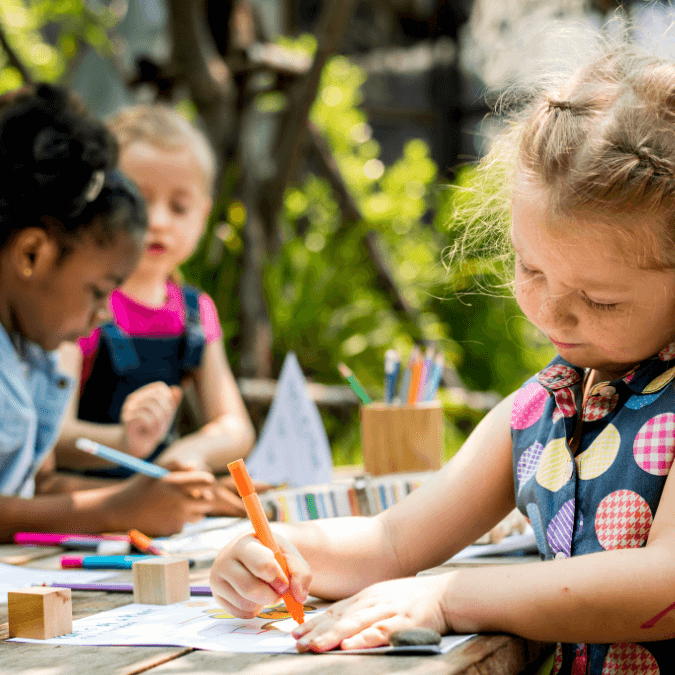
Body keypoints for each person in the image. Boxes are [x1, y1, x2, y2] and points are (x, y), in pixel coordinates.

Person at [209, 42, 675, 673]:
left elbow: (663, 586)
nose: (551, 312)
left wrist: (448, 595)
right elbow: (395, 539)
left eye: (599, 300)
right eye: (530, 269)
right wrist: (283, 550)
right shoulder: (543, 408)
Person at [0, 84, 221, 539]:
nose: (104, 313)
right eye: (98, 291)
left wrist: (148, 494)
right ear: (31, 256)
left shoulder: (33, 354)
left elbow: (34, 488)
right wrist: (114, 510)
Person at [54, 104, 256, 486]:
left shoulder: (196, 310)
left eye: (179, 207)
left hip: (161, 501)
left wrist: (192, 452)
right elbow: (53, 434)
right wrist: (123, 442)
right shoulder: (81, 301)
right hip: (82, 500)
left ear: (204, 214)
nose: (159, 221)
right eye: (140, 202)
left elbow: (235, 427)